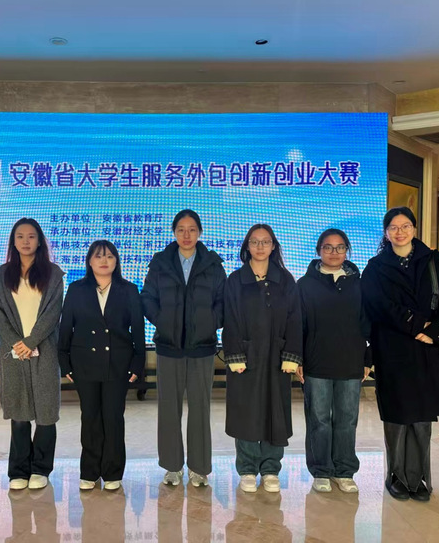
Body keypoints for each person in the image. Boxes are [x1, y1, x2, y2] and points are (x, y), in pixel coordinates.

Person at [361, 207, 439, 502]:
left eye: (405, 226)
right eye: (393, 227)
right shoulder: (376, 267)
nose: (400, 232)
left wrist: (435, 331)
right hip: (391, 347)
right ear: (386, 232)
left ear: (414, 229)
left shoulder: (434, 261)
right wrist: (417, 324)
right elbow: (376, 304)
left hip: (426, 347)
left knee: (422, 414)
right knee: (396, 413)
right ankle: (397, 477)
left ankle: (419, 478)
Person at [141, 209, 226, 487]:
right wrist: (163, 321)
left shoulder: (213, 264)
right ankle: (172, 467)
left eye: (192, 229)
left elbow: (223, 301)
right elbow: (147, 297)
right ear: (174, 232)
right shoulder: (160, 263)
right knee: (169, 409)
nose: (186, 235)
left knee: (200, 409)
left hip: (202, 348)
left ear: (199, 232)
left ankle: (199, 468)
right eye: (181, 229)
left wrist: (209, 323)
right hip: (169, 347)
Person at [58, 240, 146, 491]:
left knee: (113, 417)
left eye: (109, 256)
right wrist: (64, 362)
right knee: (90, 417)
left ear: (116, 261)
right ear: (89, 261)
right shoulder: (77, 289)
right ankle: (89, 471)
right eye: (98, 256)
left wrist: (137, 363)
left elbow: (138, 329)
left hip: (118, 364)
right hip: (84, 363)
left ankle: (112, 472)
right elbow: (66, 327)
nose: (104, 261)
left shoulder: (129, 290)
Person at [222, 223, 302, 493]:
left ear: (273, 246)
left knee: (274, 411)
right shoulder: (235, 280)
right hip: (245, 357)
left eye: (265, 241)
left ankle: (270, 468)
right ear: (247, 246)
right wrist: (234, 354)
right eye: (254, 242)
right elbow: (230, 319)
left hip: (277, 357)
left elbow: (295, 319)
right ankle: (247, 468)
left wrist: (291, 356)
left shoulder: (286, 280)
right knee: (245, 412)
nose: (260, 246)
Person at [0, 218, 64, 491]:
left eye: (31, 236)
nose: (25, 241)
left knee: (46, 412)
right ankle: (19, 470)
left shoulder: (53, 274)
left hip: (45, 349)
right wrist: (16, 343)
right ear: (13, 241)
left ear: (40, 241)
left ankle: (41, 469)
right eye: (20, 236)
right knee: (19, 412)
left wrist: (31, 341)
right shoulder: (1, 274)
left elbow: (53, 313)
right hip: (14, 352)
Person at [297, 228, 371, 494]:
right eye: (328, 247)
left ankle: (344, 470)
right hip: (316, 362)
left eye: (340, 247)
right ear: (319, 251)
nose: (334, 252)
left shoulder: (359, 284)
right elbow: (298, 325)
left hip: (351, 361)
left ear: (347, 251)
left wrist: (368, 358)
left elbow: (368, 323)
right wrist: (297, 359)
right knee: (318, 419)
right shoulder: (305, 284)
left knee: (347, 419)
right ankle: (321, 470)